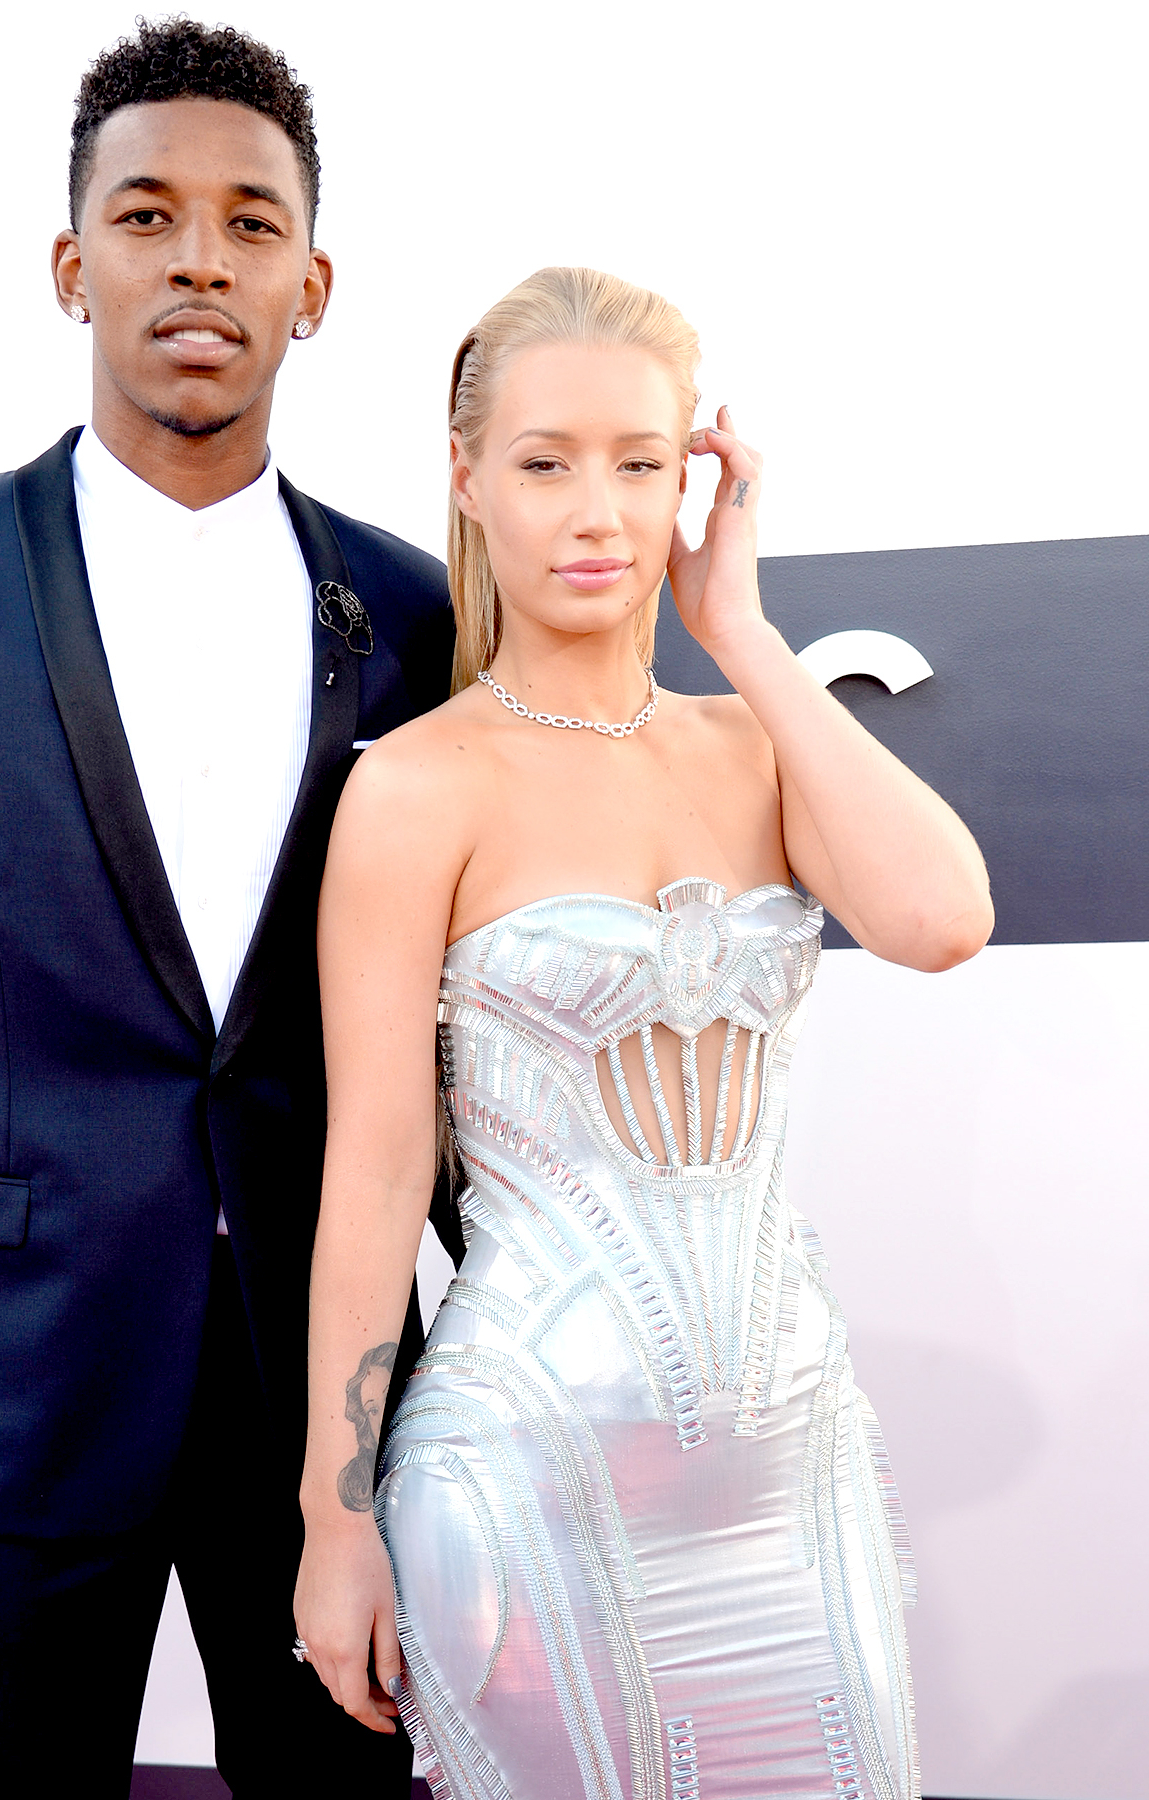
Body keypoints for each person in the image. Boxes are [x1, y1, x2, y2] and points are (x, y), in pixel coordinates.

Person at [0, 19, 453, 1798]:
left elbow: (459, 1036)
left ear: (313, 286)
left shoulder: (412, 607)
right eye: (146, 216)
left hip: (336, 1418)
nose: (200, 258)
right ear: (72, 266)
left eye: (252, 223)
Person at [293, 267, 993, 1799]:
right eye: (546, 463)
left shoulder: (757, 743)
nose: (597, 511)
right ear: (468, 479)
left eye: (640, 462)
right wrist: (334, 1520)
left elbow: (944, 919)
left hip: (792, 1474)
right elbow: (377, 1172)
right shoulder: (416, 787)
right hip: (528, 1473)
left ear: (695, 481)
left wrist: (741, 632)